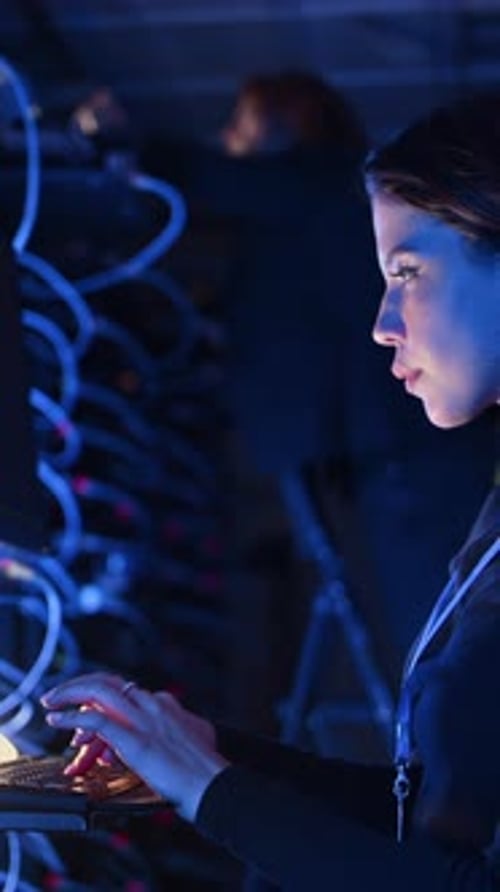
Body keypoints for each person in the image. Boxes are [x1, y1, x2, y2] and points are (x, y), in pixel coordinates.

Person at [41, 89, 499, 890]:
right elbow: (426, 819)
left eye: (408, 271)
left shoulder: (304, 177)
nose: (382, 324)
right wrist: (204, 752)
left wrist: (211, 790)